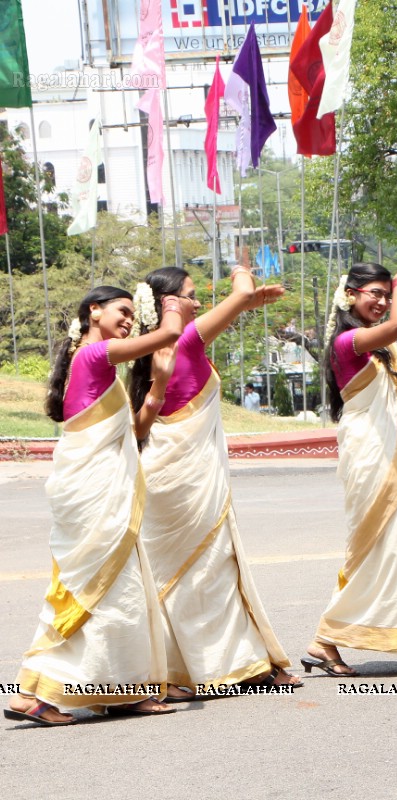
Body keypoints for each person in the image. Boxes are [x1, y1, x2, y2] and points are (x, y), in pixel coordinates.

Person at [5, 286, 187, 727]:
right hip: (95, 495)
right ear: (94, 312)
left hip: (102, 493)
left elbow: (138, 431)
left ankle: (115, 692)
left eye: (131, 313)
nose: (127, 320)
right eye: (122, 312)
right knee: (103, 592)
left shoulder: (92, 364)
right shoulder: (94, 355)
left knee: (114, 590)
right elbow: (170, 334)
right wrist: (170, 305)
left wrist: (159, 383)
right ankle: (45, 693)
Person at [128, 266, 298, 698]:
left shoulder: (149, 348)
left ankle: (226, 665)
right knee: (210, 568)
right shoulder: (185, 339)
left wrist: (249, 299)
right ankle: (210, 667)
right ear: (167, 303)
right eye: (189, 295)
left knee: (198, 572)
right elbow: (239, 294)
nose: (198, 302)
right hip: (186, 478)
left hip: (167, 470)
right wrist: (242, 273)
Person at [304, 263, 397, 676]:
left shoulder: (383, 347)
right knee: (375, 549)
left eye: (388, 294)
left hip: (395, 457)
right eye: (376, 293)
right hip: (371, 455)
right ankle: (327, 640)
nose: (384, 302)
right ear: (350, 294)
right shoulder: (347, 341)